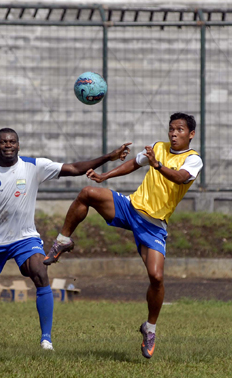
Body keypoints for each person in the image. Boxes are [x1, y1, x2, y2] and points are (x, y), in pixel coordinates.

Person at [0, 128, 131, 350]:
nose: (8, 145)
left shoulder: (33, 166)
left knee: (40, 272)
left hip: (25, 240)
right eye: (3, 142)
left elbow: (75, 168)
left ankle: (46, 340)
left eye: (12, 141)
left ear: (18, 145)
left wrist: (108, 157)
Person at [44, 112, 203, 359]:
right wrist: (105, 176)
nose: (173, 134)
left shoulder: (194, 160)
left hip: (154, 225)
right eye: (171, 129)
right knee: (88, 192)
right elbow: (133, 163)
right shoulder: (158, 148)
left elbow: (181, 178)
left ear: (191, 134)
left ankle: (149, 328)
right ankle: (62, 241)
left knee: (156, 277)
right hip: (130, 207)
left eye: (180, 130)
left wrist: (157, 165)